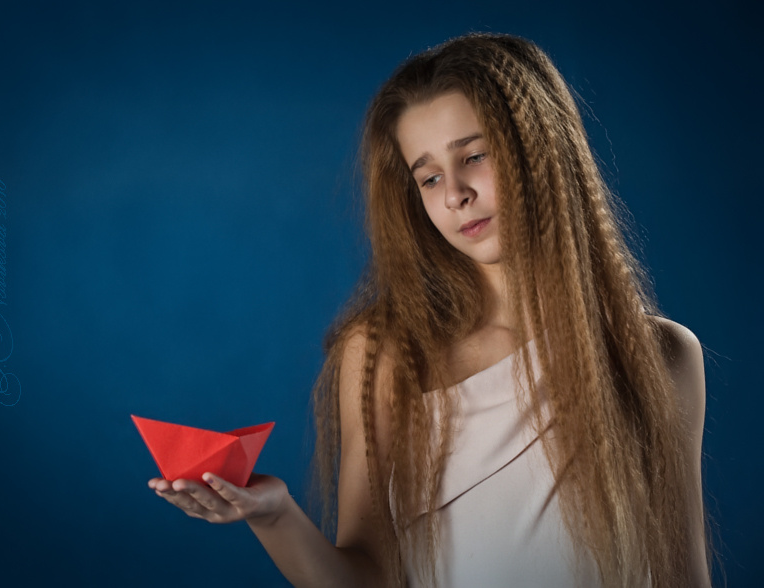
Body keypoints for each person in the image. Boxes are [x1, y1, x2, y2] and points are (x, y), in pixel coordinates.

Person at [147, 32, 712, 588]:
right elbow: (368, 580)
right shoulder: (386, 354)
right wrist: (274, 515)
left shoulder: (664, 355)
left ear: (541, 148)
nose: (455, 194)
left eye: (475, 156)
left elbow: (682, 573)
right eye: (430, 177)